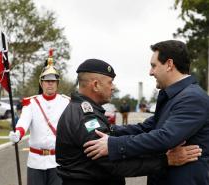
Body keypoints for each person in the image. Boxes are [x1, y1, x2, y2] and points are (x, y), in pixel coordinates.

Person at [55, 58, 201, 185]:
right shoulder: (86, 117)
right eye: (110, 82)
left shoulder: (85, 110)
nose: (113, 87)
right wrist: (165, 159)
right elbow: (115, 164)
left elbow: (115, 133)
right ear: (95, 85)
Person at [84, 40, 209, 185]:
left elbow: (165, 137)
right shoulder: (174, 96)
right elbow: (146, 127)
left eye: (154, 66)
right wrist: (106, 129)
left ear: (169, 64)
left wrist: (114, 145)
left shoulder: (192, 98)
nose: (150, 72)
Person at [9, 51, 70, 185]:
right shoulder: (31, 103)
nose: (50, 84)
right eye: (47, 81)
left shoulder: (65, 102)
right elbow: (24, 120)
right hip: (36, 161)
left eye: (53, 81)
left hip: (57, 161)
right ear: (41, 83)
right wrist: (18, 133)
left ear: (57, 83)